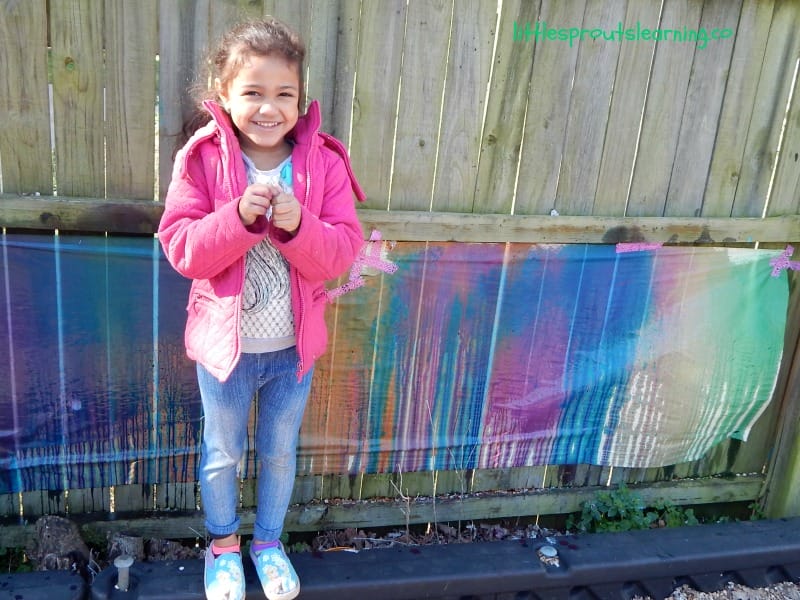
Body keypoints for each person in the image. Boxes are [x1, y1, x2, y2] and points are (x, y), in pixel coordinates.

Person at [158, 16, 365, 600]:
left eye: (284, 94)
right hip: (225, 356)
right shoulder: (202, 159)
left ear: (301, 101)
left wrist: (303, 227)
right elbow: (183, 249)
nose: (268, 107)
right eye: (252, 92)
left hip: (291, 354)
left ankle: (268, 544)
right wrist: (240, 219)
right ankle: (222, 549)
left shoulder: (323, 163)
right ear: (224, 96)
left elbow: (341, 256)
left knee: (278, 455)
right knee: (222, 455)